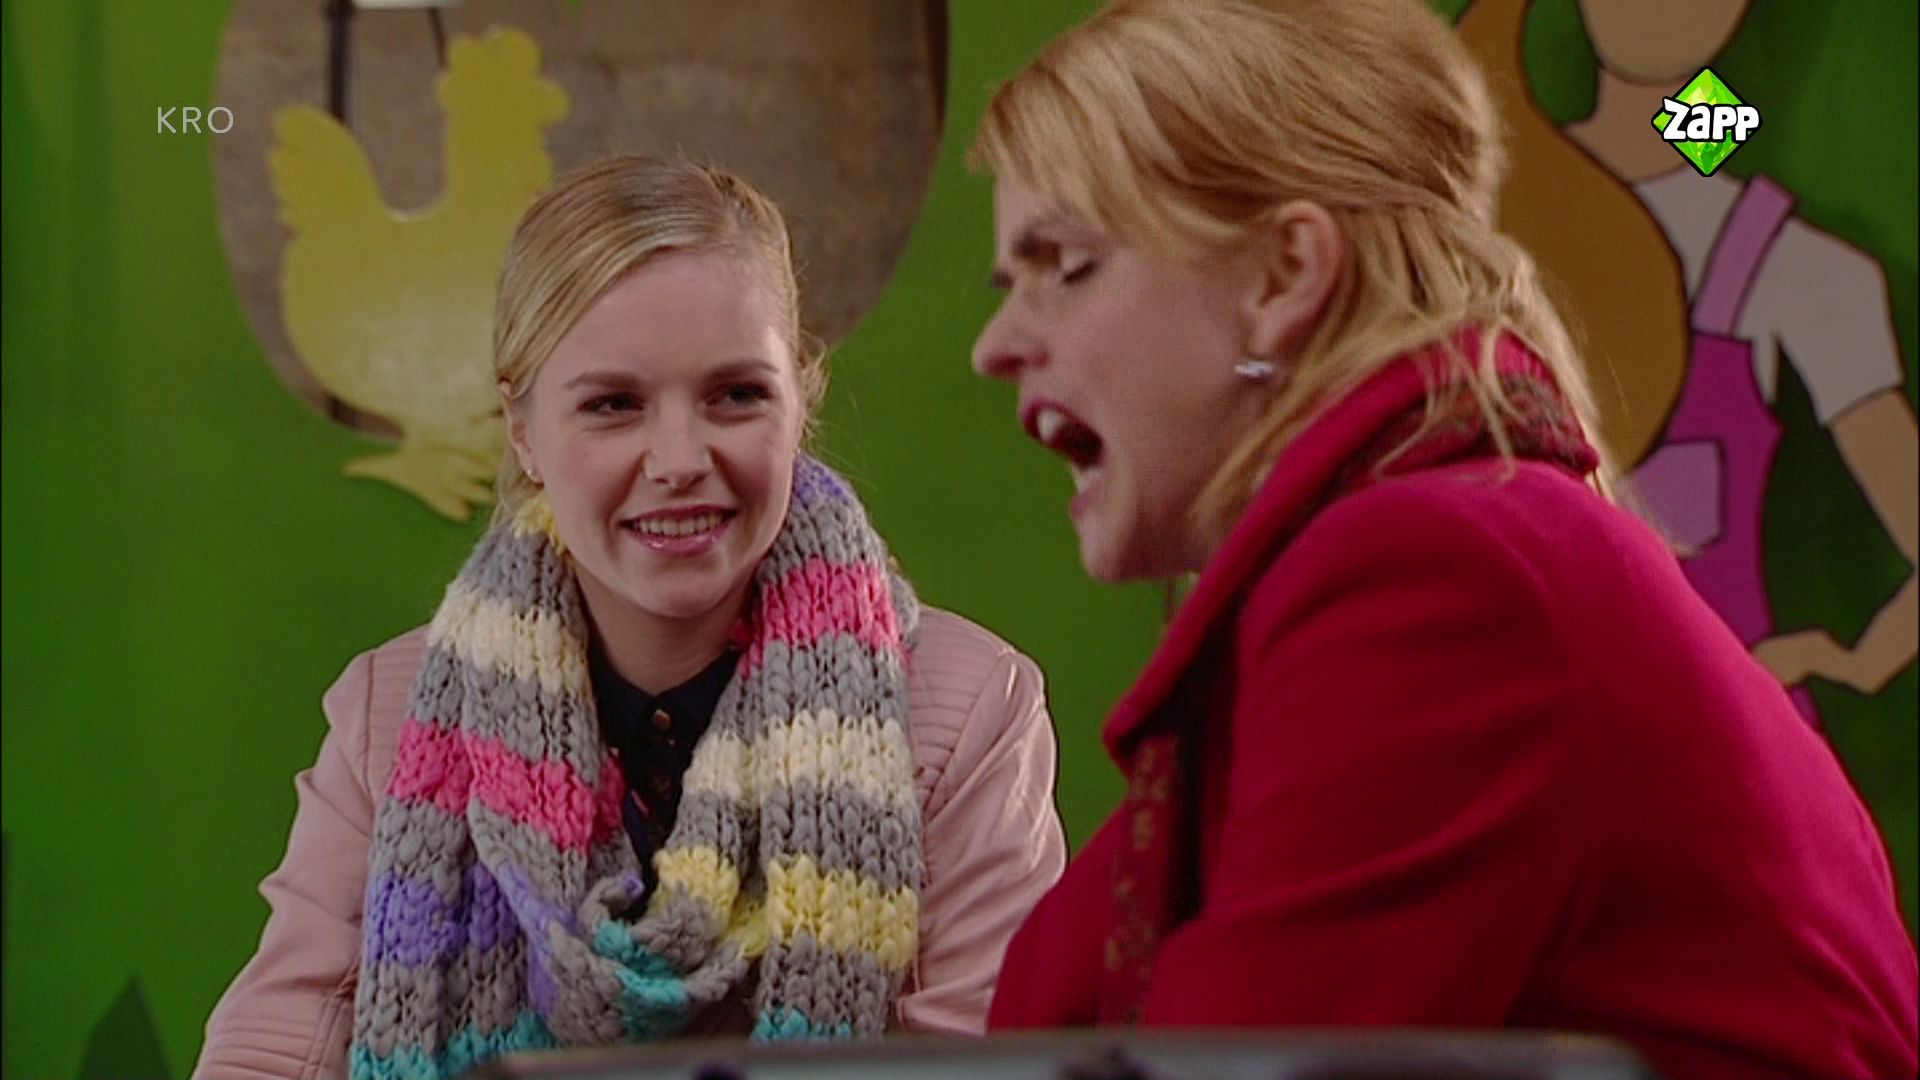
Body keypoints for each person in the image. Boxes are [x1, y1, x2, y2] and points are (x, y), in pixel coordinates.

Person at [966, 3, 1919, 1078]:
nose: (995, 345)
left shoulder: (1438, 575)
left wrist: (1698, 124)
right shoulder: (1435, 548)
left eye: (1069, 264)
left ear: (1285, 275)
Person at [195, 155, 1067, 1080]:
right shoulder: (387, 715)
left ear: (798, 398)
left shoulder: (968, 711)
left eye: (736, 394)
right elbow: (271, 1053)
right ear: (523, 431)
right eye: (614, 405)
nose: (679, 459)